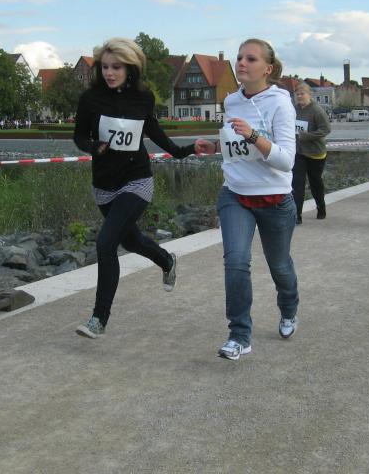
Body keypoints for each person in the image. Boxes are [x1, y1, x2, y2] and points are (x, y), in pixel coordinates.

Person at [72, 38, 204, 338]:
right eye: (105, 67)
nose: (109, 73)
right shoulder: (90, 99)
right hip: (104, 185)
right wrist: (93, 146)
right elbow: (79, 135)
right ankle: (166, 260)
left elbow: (155, 132)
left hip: (137, 180)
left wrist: (186, 150)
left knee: (106, 243)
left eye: (116, 67)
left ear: (130, 68)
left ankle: (98, 319)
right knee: (130, 241)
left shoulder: (143, 98)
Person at [196, 38, 299, 361]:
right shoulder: (231, 101)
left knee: (279, 266)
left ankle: (289, 308)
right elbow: (235, 147)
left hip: (275, 198)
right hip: (236, 194)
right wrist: (215, 146)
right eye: (240, 57)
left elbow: (286, 161)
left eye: (251, 59)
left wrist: (254, 135)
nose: (242, 63)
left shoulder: (281, 104)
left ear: (267, 68)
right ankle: (239, 335)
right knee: (236, 262)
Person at [291, 82, 331, 223]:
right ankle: (297, 215)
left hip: (315, 152)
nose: (299, 97)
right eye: (297, 94)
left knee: (315, 183)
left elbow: (326, 129)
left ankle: (321, 207)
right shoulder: (294, 109)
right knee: (297, 184)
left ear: (309, 95)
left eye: (302, 94)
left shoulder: (316, 110)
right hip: (299, 152)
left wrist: (307, 136)